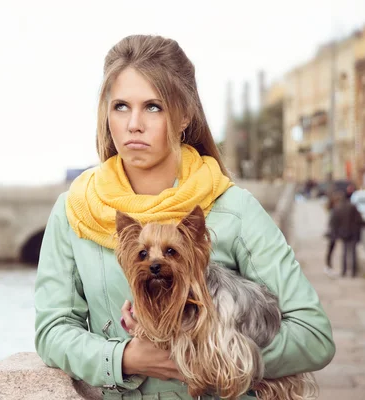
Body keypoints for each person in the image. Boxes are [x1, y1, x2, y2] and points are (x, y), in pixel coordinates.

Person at [34, 34, 335, 399]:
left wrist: (207, 355)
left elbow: (314, 336)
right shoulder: (74, 212)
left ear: (184, 116)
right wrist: (124, 357)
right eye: (121, 107)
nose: (134, 124)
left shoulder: (235, 209)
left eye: (153, 107)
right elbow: (52, 330)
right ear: (106, 115)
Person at [330, 190, 363, 277]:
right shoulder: (353, 207)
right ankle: (353, 272)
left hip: (344, 233)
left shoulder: (338, 208)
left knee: (344, 252)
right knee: (353, 252)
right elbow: (359, 219)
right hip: (353, 233)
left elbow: (334, 223)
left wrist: (336, 233)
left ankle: (344, 271)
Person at [324, 191, 340, 278]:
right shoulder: (334, 211)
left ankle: (328, 267)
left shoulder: (332, 210)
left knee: (330, 250)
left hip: (331, 233)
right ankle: (328, 267)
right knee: (330, 250)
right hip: (333, 233)